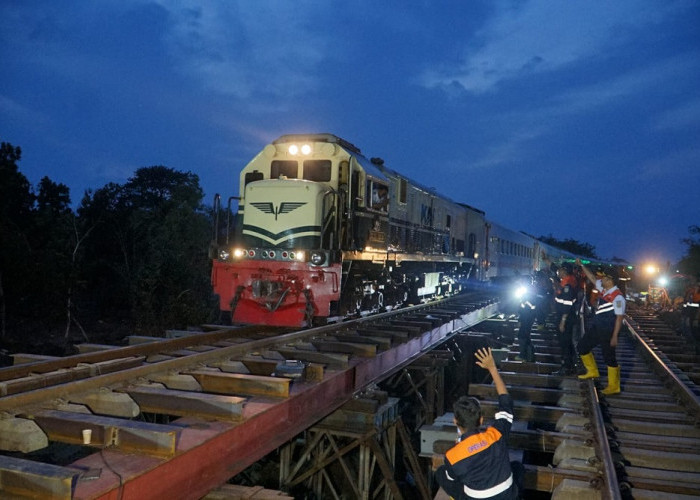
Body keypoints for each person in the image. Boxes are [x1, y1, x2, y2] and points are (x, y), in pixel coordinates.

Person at [435, 347, 523, 499]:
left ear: (455, 421)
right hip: (507, 496)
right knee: (518, 468)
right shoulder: (496, 434)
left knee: (441, 474)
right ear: (481, 420)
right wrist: (492, 368)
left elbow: (453, 479)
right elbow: (506, 403)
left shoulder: (452, 456)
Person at [575, 259, 626, 395]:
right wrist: (582, 265)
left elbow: (620, 318)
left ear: (610, 280)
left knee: (609, 357)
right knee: (582, 346)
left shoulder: (618, 297)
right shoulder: (604, 290)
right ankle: (592, 371)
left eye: (603, 277)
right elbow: (591, 277)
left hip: (608, 331)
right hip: (598, 327)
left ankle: (614, 386)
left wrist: (615, 336)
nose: (601, 279)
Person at [552, 264, 579, 375]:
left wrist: (563, 321)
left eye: (560, 269)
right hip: (566, 317)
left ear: (564, 271)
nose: (558, 271)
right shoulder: (566, 283)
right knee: (566, 342)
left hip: (565, 318)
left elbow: (567, 304)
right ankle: (571, 364)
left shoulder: (567, 285)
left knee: (564, 342)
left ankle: (566, 367)